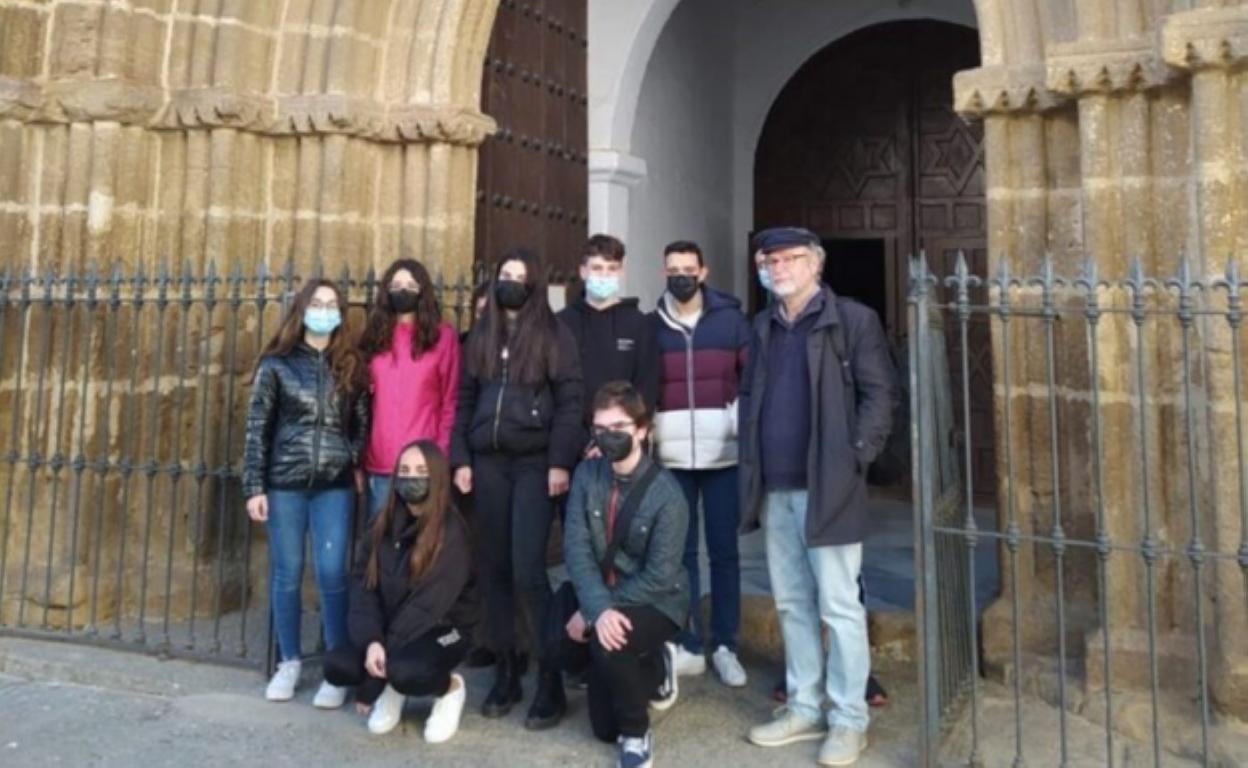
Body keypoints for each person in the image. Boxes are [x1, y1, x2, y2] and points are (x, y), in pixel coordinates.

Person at [739, 227, 897, 766]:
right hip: (775, 486)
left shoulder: (851, 320)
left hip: (829, 483)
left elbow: (880, 392)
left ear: (816, 265)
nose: (778, 268)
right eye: (769, 259)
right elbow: (751, 396)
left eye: (790, 259)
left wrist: (857, 454)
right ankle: (804, 706)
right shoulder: (762, 327)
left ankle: (849, 718)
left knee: (838, 605)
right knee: (791, 603)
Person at [450, 248, 584, 729]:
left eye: (518, 277)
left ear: (534, 285)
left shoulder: (554, 335)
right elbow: (463, 401)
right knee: (495, 569)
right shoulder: (481, 336)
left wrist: (559, 462)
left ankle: (549, 677)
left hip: (533, 464)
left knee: (529, 570)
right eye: (503, 274)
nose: (509, 282)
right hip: (487, 463)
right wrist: (460, 458)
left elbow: (571, 402)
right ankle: (507, 669)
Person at [243, 279, 370, 707]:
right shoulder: (276, 365)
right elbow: (258, 427)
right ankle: (290, 661)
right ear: (302, 310)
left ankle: (336, 667)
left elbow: (362, 422)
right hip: (286, 482)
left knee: (333, 573)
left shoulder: (350, 364)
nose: (324, 310)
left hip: (333, 484)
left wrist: (348, 457)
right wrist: (254, 485)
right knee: (287, 571)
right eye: (316, 303)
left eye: (331, 304)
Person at [560, 381, 688, 768]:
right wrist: (598, 606)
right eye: (600, 428)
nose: (607, 436)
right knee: (601, 727)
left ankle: (636, 736)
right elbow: (577, 549)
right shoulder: (586, 475)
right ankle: (648, 668)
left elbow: (660, 577)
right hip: (605, 594)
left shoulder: (668, 495)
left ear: (643, 430)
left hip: (657, 600)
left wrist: (595, 611)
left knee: (608, 643)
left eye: (619, 427)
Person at [323, 439, 477, 741]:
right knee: (337, 665)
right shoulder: (381, 523)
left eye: (421, 470)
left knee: (407, 671)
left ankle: (450, 690)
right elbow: (363, 586)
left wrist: (372, 682)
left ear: (436, 477)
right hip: (394, 625)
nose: (412, 477)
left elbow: (427, 607)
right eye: (405, 470)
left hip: (445, 627)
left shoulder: (452, 531)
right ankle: (392, 682)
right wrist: (372, 642)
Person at [650, 240, 752, 687]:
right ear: (663, 272)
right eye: (673, 269)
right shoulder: (652, 326)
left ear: (704, 272)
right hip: (672, 459)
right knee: (681, 555)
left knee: (725, 553)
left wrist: (735, 421)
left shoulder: (731, 322)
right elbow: (643, 385)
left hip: (722, 456)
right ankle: (689, 640)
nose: (681, 276)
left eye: (688, 268)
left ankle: (726, 643)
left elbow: (753, 380)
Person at [359, 259, 460, 521]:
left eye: (411, 285)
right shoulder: (374, 337)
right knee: (382, 546)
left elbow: (450, 402)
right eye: (396, 284)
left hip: (423, 463)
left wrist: (440, 455)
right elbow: (363, 403)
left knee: (423, 548)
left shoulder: (443, 337)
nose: (403, 290)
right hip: (380, 462)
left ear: (422, 291)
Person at [557, 234, 659, 441]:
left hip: (623, 439)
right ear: (583, 271)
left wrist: (625, 433)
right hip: (571, 440)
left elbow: (646, 387)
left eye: (611, 268)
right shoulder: (561, 324)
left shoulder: (640, 324)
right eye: (596, 268)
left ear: (621, 272)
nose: (604, 275)